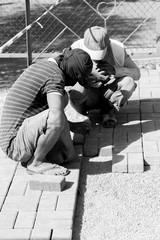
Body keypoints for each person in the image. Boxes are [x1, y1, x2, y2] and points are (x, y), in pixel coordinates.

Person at [0, 48, 93, 175]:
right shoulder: (55, 76)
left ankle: (52, 153)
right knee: (56, 116)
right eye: (78, 78)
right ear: (73, 73)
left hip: (15, 136)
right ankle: (36, 163)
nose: (75, 82)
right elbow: (55, 115)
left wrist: (72, 127)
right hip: (14, 146)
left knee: (62, 97)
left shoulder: (45, 65)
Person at [69, 26, 141, 128]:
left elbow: (137, 73)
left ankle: (108, 111)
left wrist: (115, 70)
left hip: (108, 92)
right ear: (85, 45)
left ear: (108, 44)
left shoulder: (117, 49)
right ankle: (81, 115)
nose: (96, 60)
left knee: (129, 82)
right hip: (88, 95)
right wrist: (86, 78)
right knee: (77, 88)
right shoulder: (75, 49)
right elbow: (64, 79)